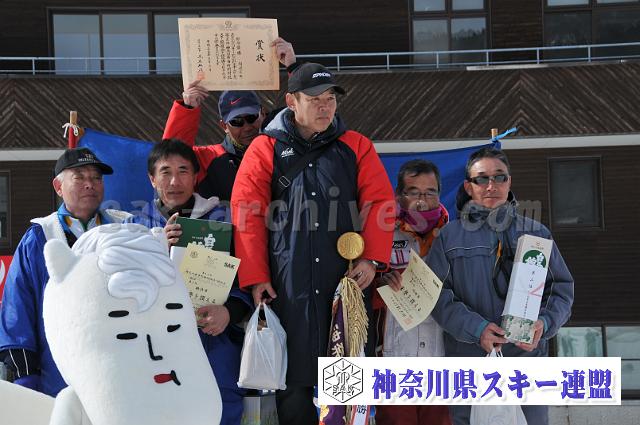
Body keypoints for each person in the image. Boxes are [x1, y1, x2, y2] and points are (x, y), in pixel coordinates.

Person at [231, 62, 396, 425]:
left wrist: (371, 259)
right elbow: (247, 215)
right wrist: (257, 277)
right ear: (292, 101)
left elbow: (380, 204)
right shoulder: (264, 148)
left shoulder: (356, 145)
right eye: (315, 99)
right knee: (294, 389)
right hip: (288, 286)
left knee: (346, 389)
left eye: (330, 99)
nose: (325, 106)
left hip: (347, 285)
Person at [426, 147, 574, 425]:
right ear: (468, 187)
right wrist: (477, 329)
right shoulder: (449, 236)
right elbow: (435, 295)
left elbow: (561, 289)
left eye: (499, 177)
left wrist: (544, 323)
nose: (491, 185)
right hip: (469, 360)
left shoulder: (536, 233)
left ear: (509, 182)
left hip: (526, 362)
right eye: (481, 178)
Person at [130, 139, 252, 425]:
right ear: (152, 179)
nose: (175, 181)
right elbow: (122, 290)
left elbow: (248, 279)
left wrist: (229, 312)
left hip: (213, 342)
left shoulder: (223, 221)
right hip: (154, 348)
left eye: (183, 171)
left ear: (196, 176)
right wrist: (157, 247)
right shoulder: (133, 227)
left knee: (220, 410)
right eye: (165, 172)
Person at [0, 147, 131, 396]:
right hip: (57, 375)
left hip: (120, 370)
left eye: (96, 178)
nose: (90, 184)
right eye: (79, 177)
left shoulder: (124, 229)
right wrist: (25, 375)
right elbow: (18, 309)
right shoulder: (41, 236)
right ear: (58, 187)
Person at [162, 37, 297, 202]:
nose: (247, 127)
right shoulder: (208, 159)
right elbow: (170, 155)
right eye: (237, 122)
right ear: (224, 126)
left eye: (251, 117)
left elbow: (307, 114)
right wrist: (188, 108)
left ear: (263, 113)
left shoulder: (284, 146)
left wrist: (293, 67)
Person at [374, 159, 451, 425]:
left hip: (441, 359)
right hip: (395, 356)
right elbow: (360, 289)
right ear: (399, 196)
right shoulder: (382, 235)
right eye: (414, 192)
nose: (422, 201)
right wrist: (380, 284)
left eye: (430, 192)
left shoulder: (452, 237)